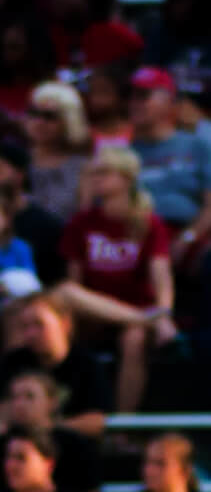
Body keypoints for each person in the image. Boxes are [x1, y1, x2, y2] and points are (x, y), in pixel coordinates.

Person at [54, 148, 176, 412]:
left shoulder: (149, 223)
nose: (96, 179)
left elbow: (162, 278)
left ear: (126, 178)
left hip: (134, 309)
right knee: (64, 292)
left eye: (104, 172)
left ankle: (123, 423)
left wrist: (165, 312)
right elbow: (75, 284)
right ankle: (147, 319)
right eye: (93, 173)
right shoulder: (82, 223)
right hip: (94, 313)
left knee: (134, 338)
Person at [126, 68, 211, 258]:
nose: (134, 104)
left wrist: (187, 238)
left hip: (185, 233)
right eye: (131, 97)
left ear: (169, 102)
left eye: (143, 96)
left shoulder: (198, 147)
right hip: (137, 238)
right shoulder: (123, 153)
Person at [0, 294, 106, 436]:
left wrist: (47, 427)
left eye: (39, 324)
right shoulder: (13, 362)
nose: (30, 334)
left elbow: (97, 421)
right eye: (25, 327)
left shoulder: (86, 364)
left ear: (65, 323)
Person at [5, 370, 101, 492]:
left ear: (52, 402)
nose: (19, 404)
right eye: (14, 397)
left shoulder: (76, 445)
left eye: (29, 396)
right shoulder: (4, 442)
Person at [25, 82, 90, 223]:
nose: (39, 122)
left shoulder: (83, 167)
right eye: (34, 113)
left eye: (49, 116)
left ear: (68, 122)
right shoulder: (13, 161)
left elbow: (84, 218)